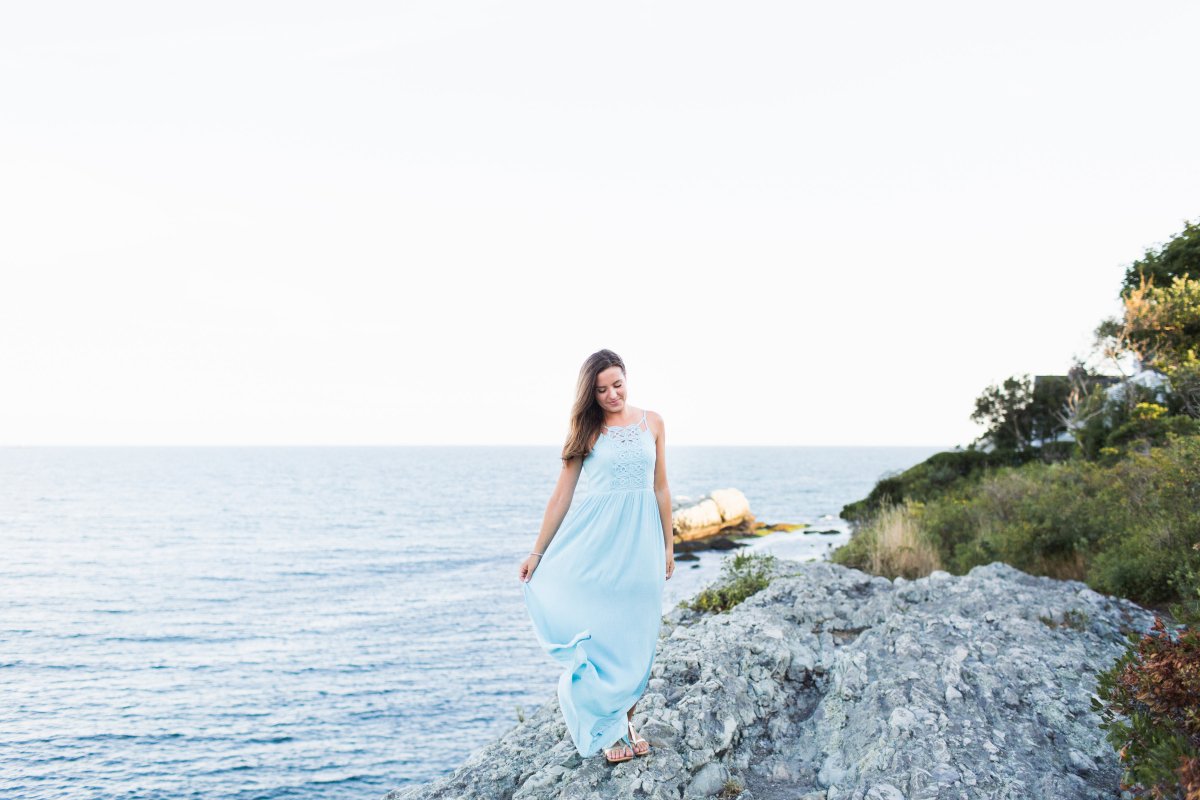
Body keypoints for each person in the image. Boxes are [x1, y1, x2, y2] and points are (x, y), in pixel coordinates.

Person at [518, 349, 676, 764]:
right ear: (591, 392)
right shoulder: (585, 430)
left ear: (627, 379)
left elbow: (661, 488)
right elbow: (562, 496)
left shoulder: (654, 422)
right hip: (599, 546)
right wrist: (538, 552)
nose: (612, 395)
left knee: (638, 639)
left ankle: (626, 721)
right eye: (602, 389)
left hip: (642, 546)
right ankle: (608, 730)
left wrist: (669, 545)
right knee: (605, 637)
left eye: (617, 385)